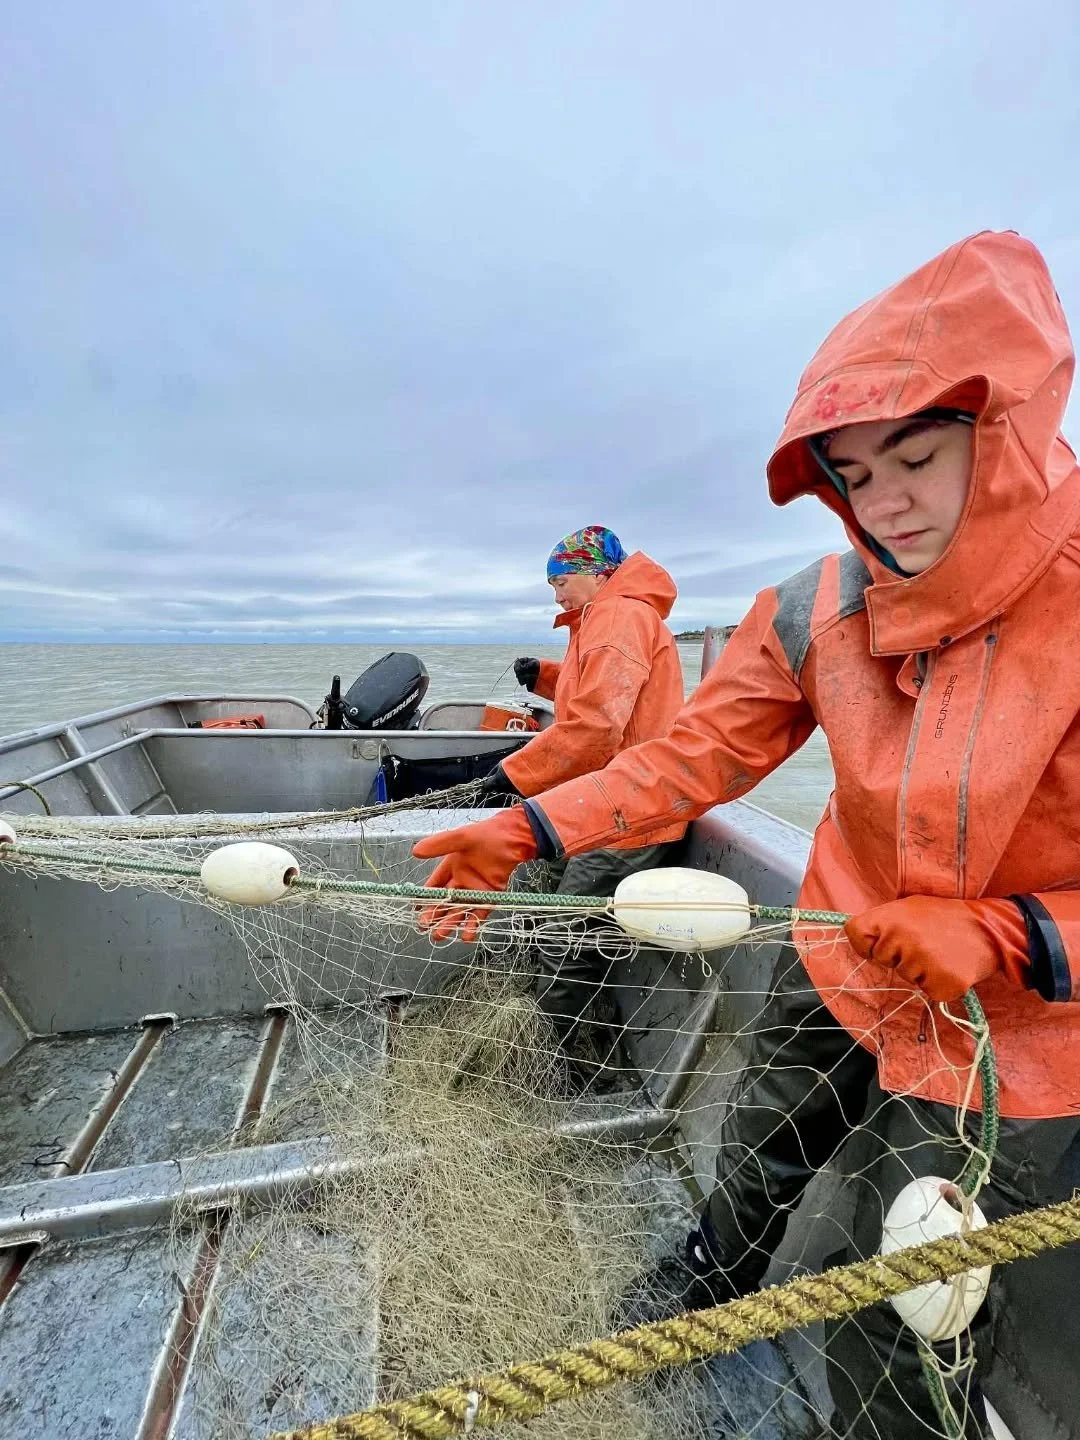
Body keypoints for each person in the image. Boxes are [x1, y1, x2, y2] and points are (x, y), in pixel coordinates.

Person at [413, 231, 1080, 1437]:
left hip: (1022, 1033)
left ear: (1013, 427)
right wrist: (532, 825)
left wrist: (1015, 931)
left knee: (911, 1297)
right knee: (762, 1132)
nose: (886, 505)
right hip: (841, 947)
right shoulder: (815, 604)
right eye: (853, 476)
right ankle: (714, 1271)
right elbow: (693, 753)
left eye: (918, 458)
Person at [468, 525, 686, 1066]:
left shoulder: (618, 616)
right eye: (552, 585)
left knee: (565, 938)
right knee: (558, 925)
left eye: (562, 580)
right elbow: (599, 686)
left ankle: (553, 1066)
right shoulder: (610, 616)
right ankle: (563, 1047)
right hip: (605, 803)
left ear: (598, 573)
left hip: (628, 812)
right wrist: (543, 676)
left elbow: (595, 728)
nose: (556, 594)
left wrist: (517, 773)